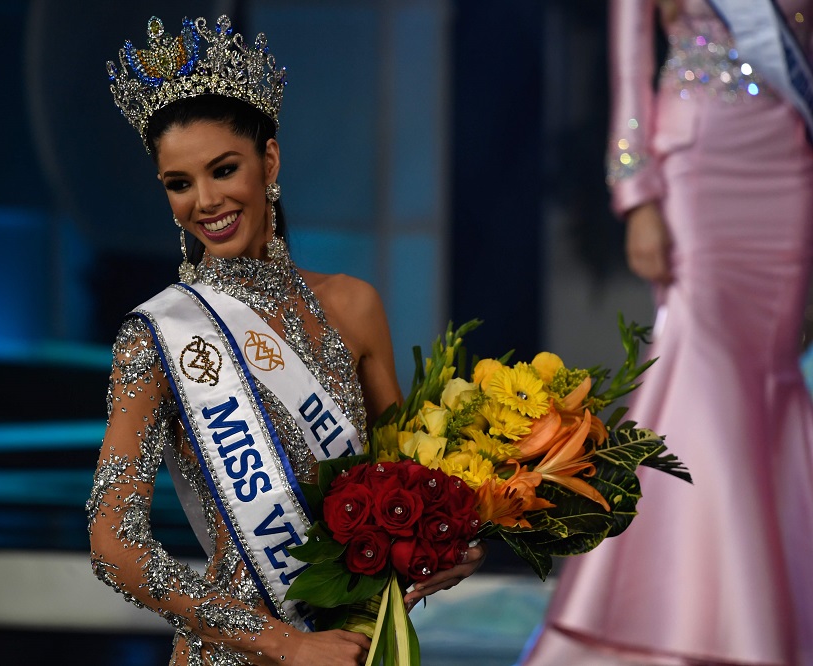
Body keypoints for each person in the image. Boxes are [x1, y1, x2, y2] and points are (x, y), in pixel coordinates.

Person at [86, 15, 485, 665]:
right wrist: (286, 644)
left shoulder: (353, 306)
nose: (204, 201)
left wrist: (453, 539)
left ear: (268, 161)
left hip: (354, 645)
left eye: (223, 169)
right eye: (179, 183)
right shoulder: (158, 337)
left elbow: (410, 485)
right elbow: (113, 544)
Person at [521, 1, 813, 665]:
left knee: (771, 382)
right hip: (698, 163)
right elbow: (629, 73)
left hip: (789, 168)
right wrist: (638, 197)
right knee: (705, 375)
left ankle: (776, 610)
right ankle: (705, 621)